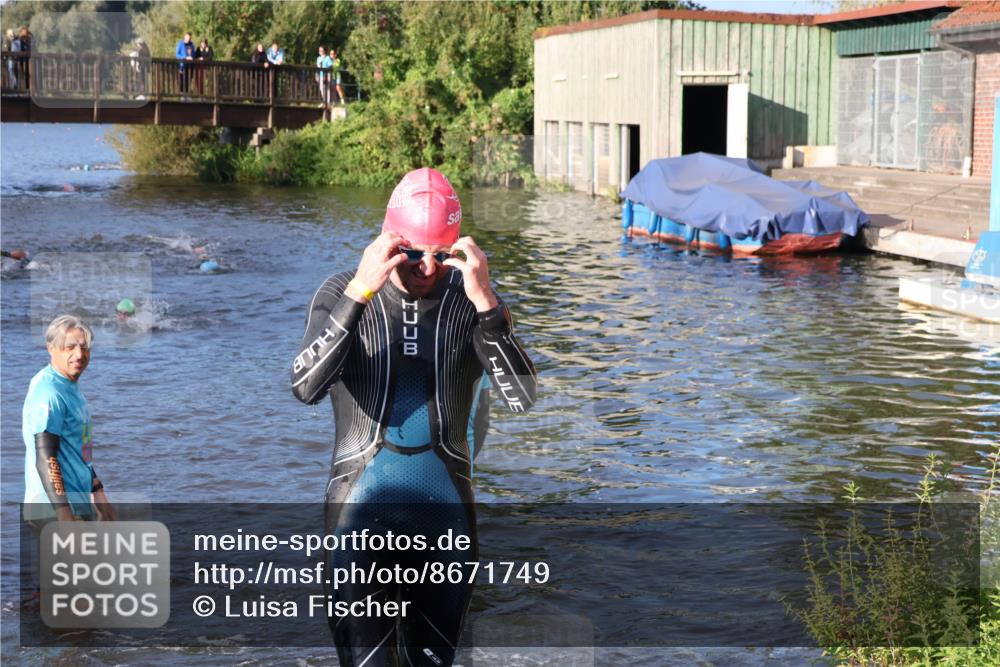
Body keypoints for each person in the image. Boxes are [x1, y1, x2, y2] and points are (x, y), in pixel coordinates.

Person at [291, 167, 537, 666]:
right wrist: (360, 292)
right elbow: (305, 386)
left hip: (445, 521)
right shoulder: (341, 291)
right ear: (389, 239)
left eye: (441, 254)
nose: (427, 267)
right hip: (357, 516)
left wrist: (488, 304)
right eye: (413, 252)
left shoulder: (472, 299)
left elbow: (522, 397)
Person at [22, 315, 116, 522]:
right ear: (51, 348)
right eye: (69, 347)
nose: (79, 355)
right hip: (53, 512)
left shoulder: (69, 386)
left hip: (76, 505)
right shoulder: (49, 393)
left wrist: (98, 491)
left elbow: (79, 448)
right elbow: (46, 457)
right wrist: (64, 516)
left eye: (84, 347)